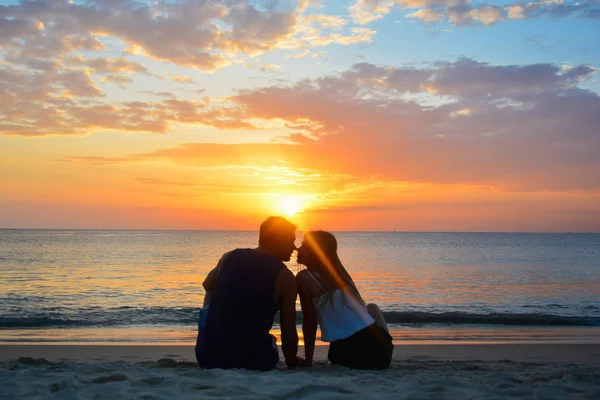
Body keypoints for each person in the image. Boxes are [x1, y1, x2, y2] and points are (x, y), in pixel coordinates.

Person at [195, 216, 305, 370]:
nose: (294, 248)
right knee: (271, 340)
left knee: (210, 295)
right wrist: (292, 361)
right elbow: (288, 332)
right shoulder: (286, 278)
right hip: (254, 362)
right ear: (276, 240)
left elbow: (208, 285)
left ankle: (213, 336)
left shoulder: (229, 257)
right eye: (290, 241)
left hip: (208, 358)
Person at [296, 231, 393, 369]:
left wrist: (308, 361)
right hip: (381, 353)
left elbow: (310, 323)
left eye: (303, 245)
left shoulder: (304, 278)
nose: (297, 249)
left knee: (370, 308)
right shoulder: (342, 278)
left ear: (314, 252)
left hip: (346, 353)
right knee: (372, 307)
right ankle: (386, 345)